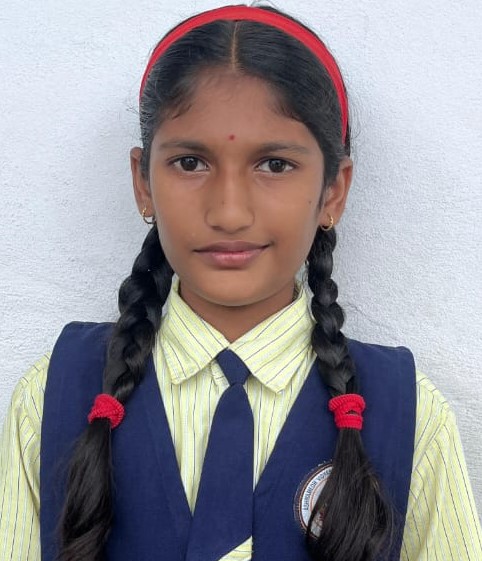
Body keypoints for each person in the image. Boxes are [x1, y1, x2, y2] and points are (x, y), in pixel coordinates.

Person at [0, 3, 481, 561]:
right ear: (143, 183)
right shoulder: (54, 395)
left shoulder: (410, 417)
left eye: (274, 165)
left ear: (333, 191)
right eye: (190, 163)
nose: (229, 213)